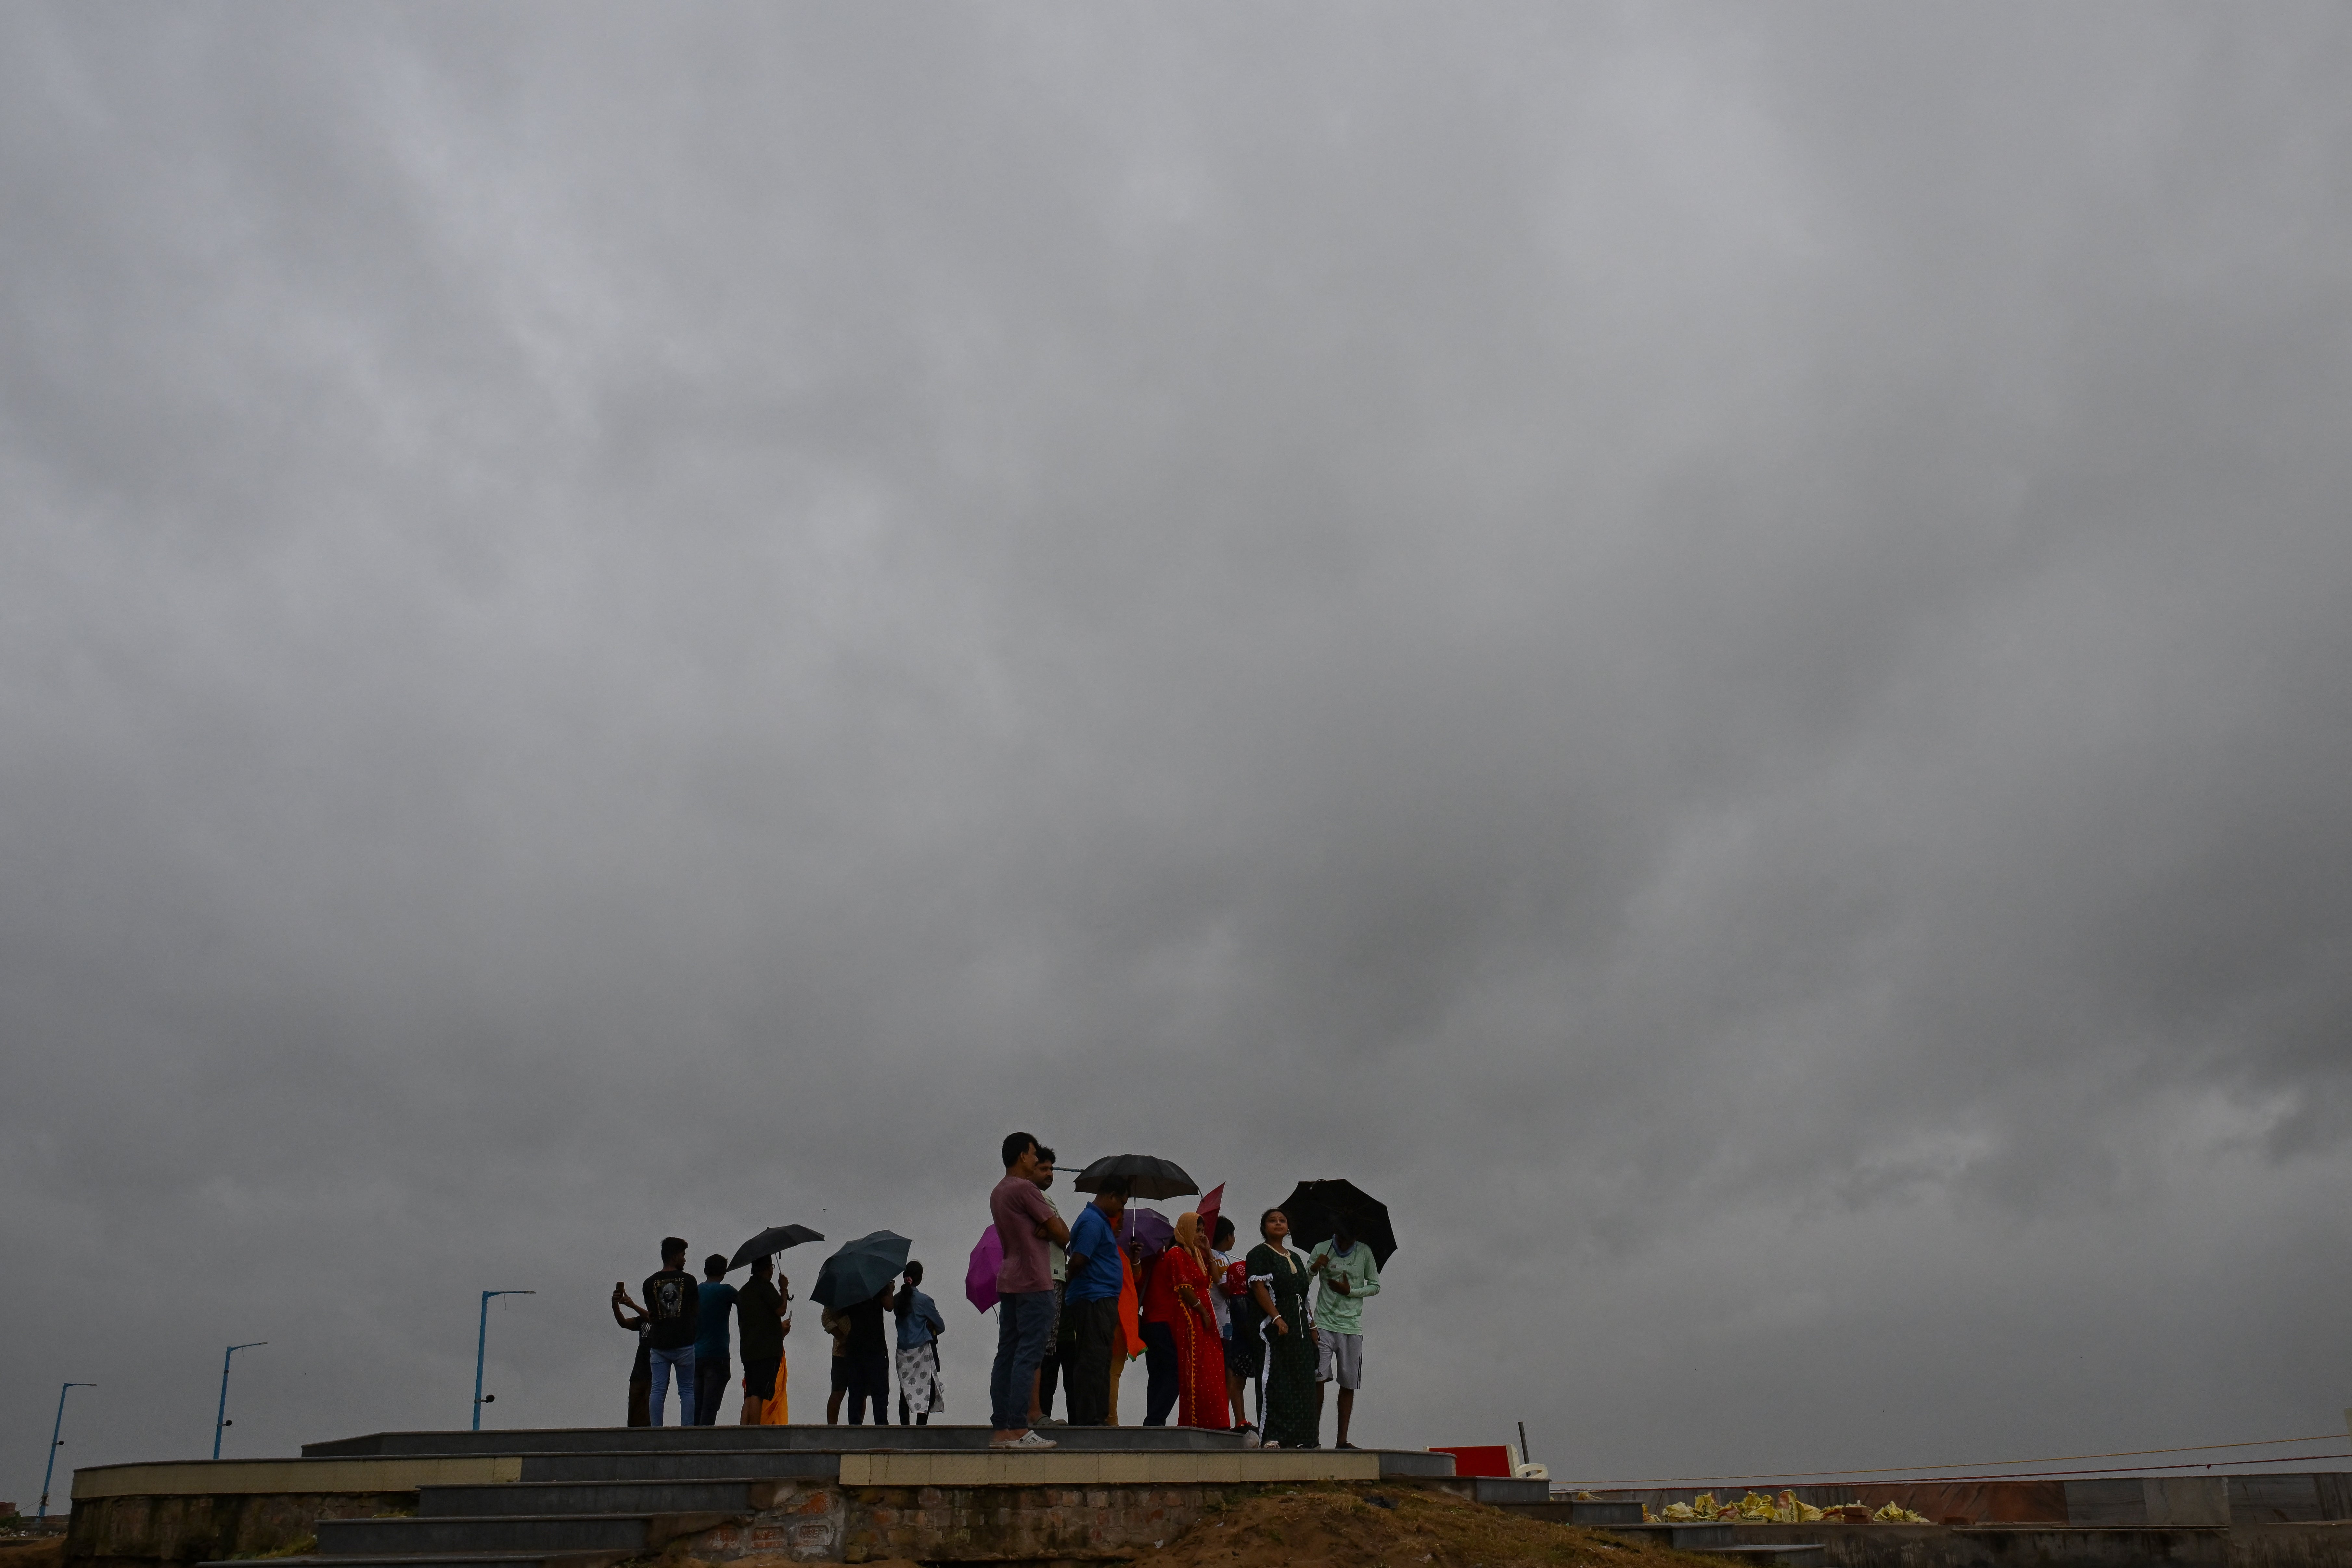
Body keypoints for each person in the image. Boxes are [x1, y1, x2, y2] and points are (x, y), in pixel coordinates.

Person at [988, 1131, 1068, 1447]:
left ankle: (1002, 1429)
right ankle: (1020, 1428)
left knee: (1006, 1353)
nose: (1037, 1159)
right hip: (1036, 1280)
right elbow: (1063, 1233)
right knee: (1029, 1355)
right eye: (1034, 1153)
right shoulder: (1026, 1189)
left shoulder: (999, 1191)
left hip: (1009, 1279)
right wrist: (1050, 1226)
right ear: (1023, 1155)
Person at [1142, 1212, 1228, 1429]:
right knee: (1175, 1372)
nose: (1200, 1234)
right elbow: (1185, 1289)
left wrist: (1208, 1251)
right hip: (1167, 1320)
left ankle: (1154, 1423)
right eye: (1197, 1230)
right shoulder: (1176, 1254)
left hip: (1170, 1319)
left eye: (1202, 1230)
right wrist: (1204, 1312)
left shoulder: (1193, 1256)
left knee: (1161, 1373)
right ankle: (1154, 1422)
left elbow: (1214, 1279)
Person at [1245, 1209, 1317, 1449]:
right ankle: (1272, 1436)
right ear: (1264, 1227)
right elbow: (1259, 1288)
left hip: (1299, 1327)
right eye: (1272, 1221)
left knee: (1303, 1381)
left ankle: (1303, 1439)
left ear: (1288, 1227)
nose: (1278, 1224)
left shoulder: (1296, 1257)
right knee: (1276, 1380)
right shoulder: (1259, 1254)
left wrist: (1312, 1325)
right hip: (1274, 1327)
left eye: (1282, 1220)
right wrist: (1276, 1317)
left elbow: (1303, 1295)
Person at [1061, 1176, 1128, 1425]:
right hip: (1093, 1298)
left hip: (1101, 1298)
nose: (1120, 1210)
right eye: (1120, 1204)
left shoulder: (1099, 1222)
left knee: (1100, 1358)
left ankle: (1097, 1416)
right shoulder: (1091, 1221)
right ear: (1110, 1196)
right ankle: (1090, 1420)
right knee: (1093, 1359)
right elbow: (1078, 1260)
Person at [1309, 1218, 1381, 1449]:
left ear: (1356, 1238)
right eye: (1339, 1238)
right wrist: (1313, 1268)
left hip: (1351, 1327)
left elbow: (1375, 1286)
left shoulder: (1365, 1253)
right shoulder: (1322, 1248)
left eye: (1348, 1239)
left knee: (1348, 1384)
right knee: (1317, 1379)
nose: (1342, 1243)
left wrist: (1350, 1290)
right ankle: (1313, 1438)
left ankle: (1342, 1441)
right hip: (1323, 1324)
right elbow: (1302, 1280)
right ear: (1334, 1233)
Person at [1029, 1146, 1069, 1427]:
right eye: (1044, 1169)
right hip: (1048, 1276)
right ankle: (1034, 1413)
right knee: (1041, 1347)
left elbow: (1062, 1232)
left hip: (1055, 1275)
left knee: (1047, 1347)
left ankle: (1038, 1411)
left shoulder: (1046, 1199)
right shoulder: (1036, 1198)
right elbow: (1064, 1234)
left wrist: (1054, 1230)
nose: (1049, 1174)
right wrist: (1054, 1230)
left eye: (1052, 1170)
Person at [642, 1237, 701, 1426]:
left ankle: (656, 1429)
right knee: (686, 1390)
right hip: (685, 1343)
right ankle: (687, 1429)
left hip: (659, 1344)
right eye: (683, 1255)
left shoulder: (649, 1283)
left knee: (658, 1389)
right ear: (675, 1256)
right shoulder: (690, 1281)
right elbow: (695, 1311)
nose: (685, 1259)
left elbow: (651, 1315)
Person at [1209, 1216, 1254, 1440]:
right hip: (1225, 1323)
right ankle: (1228, 1419)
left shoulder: (1217, 1257)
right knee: (1229, 1372)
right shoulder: (1218, 1260)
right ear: (1228, 1236)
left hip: (1224, 1321)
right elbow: (1227, 1290)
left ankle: (1231, 1418)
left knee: (1230, 1372)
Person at [736, 1255, 790, 1425]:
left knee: (750, 1393)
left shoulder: (744, 1291)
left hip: (748, 1349)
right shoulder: (766, 1287)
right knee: (759, 1394)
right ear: (767, 1268)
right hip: (766, 1351)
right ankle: (754, 1434)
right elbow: (781, 1309)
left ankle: (743, 1431)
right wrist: (784, 1289)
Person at [894, 1261, 946, 1425]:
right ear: (920, 1277)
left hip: (903, 1352)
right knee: (927, 1391)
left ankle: (905, 1427)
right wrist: (930, 1325)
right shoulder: (925, 1301)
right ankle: (920, 1428)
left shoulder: (897, 1300)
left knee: (906, 1390)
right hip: (922, 1351)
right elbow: (941, 1326)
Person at [842, 1272, 896, 1425]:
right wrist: (890, 1289)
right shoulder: (877, 1282)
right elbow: (890, 1306)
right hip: (875, 1346)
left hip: (855, 1346)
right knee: (880, 1392)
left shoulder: (849, 1288)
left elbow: (839, 1312)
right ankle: (881, 1427)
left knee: (856, 1391)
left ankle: (854, 1426)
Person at [693, 1253, 739, 1426]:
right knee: (710, 1407)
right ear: (725, 1272)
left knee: (696, 1406)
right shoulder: (726, 1291)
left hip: (696, 1355)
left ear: (705, 1271)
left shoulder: (696, 1291)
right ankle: (704, 1446)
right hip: (718, 1354)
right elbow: (747, 1305)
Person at [610, 1282, 652, 1427]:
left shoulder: (663, 1319)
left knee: (650, 1411)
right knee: (635, 1410)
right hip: (639, 1372)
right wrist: (616, 1306)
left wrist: (633, 1306)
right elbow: (623, 1323)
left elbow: (653, 1319)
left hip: (655, 1372)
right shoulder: (642, 1320)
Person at [821, 1302, 853, 1423]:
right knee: (838, 1392)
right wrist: (843, 1338)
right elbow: (826, 1319)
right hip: (841, 1351)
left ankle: (858, 1428)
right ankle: (832, 1428)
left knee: (861, 1394)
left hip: (861, 1350)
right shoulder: (835, 1293)